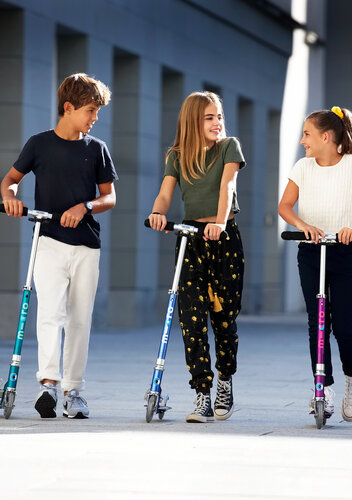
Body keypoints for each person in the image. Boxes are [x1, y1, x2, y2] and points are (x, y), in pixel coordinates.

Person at [0, 73, 118, 419]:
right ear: (68, 108)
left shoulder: (96, 149)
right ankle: (48, 385)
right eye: (90, 111)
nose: (95, 118)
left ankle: (74, 391)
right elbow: (10, 181)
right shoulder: (39, 144)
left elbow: (109, 196)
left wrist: (85, 207)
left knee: (80, 318)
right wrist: (11, 198)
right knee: (50, 314)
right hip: (48, 241)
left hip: (86, 246)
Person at [149, 91, 246, 423]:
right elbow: (164, 194)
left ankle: (224, 381)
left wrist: (219, 222)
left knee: (223, 318)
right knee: (191, 320)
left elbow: (227, 187)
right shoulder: (177, 155)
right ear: (193, 121)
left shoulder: (229, 147)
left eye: (219, 116)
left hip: (224, 238)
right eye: (209, 117)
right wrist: (157, 214)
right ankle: (202, 394)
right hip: (191, 239)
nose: (217, 122)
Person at [278, 106, 352, 422]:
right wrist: (301, 224)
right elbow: (284, 206)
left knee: (343, 325)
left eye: (307, 134)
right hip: (310, 251)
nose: (302, 141)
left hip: (344, 250)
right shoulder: (303, 167)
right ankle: (323, 386)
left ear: (326, 136)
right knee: (317, 322)